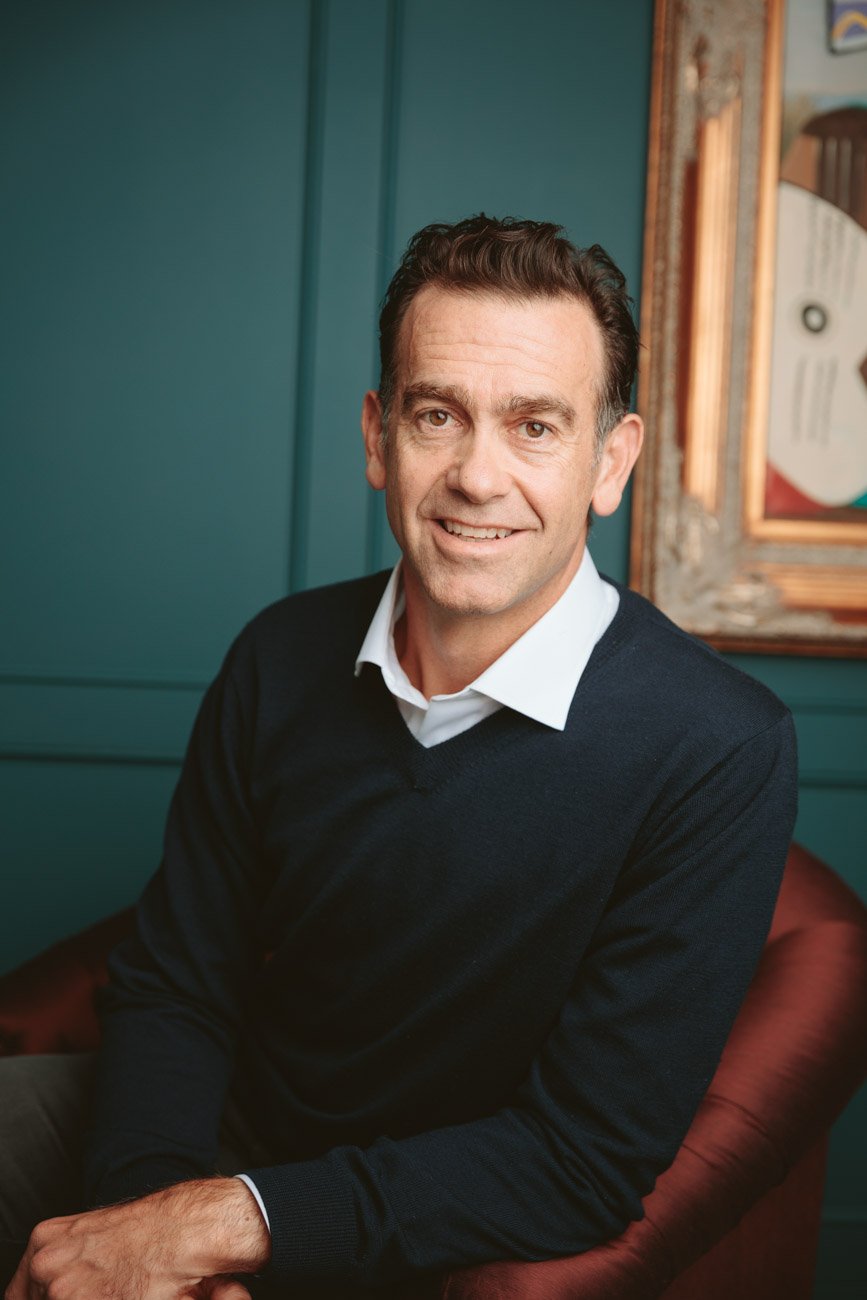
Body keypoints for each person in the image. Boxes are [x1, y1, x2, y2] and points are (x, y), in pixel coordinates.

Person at [2, 215, 798, 1300]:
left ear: (610, 462)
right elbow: (176, 986)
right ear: (379, 436)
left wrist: (226, 1227)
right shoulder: (280, 654)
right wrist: (147, 1224)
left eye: (534, 426)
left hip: (427, 1231)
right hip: (207, 1147)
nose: (477, 475)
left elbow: (581, 1158)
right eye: (437, 415)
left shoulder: (718, 745)